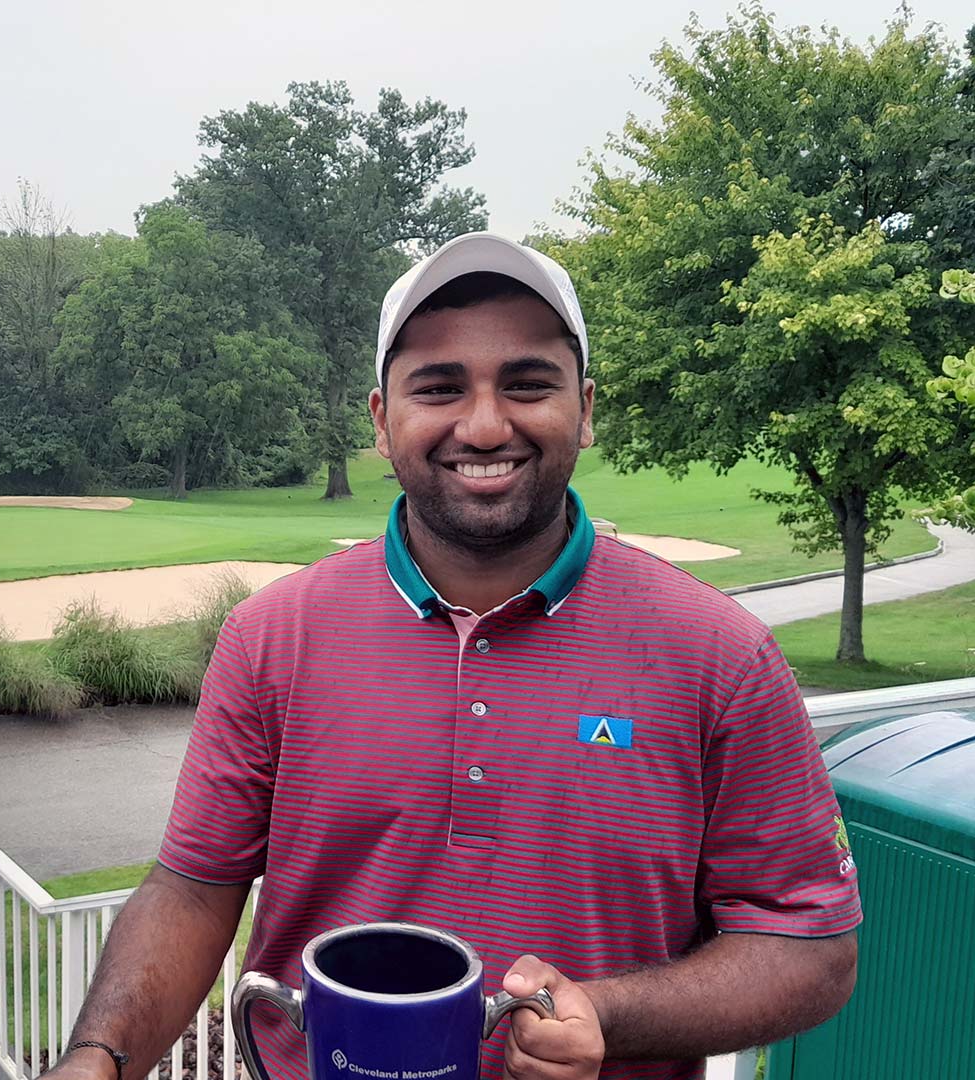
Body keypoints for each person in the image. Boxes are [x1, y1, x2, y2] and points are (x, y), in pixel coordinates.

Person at [42, 233, 861, 1080]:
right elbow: (192, 890)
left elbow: (810, 949)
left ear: (584, 408)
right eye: (438, 388)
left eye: (527, 384)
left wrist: (606, 1016)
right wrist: (96, 1060)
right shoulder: (272, 636)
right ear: (381, 420)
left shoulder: (717, 652)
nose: (482, 424)